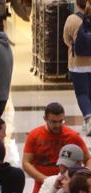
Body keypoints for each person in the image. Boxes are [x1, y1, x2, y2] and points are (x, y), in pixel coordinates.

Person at [23, 103, 89, 193]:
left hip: (67, 191)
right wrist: (46, 180)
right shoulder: (34, 135)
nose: (58, 125)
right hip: (41, 190)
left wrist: (83, 178)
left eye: (60, 121)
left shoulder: (72, 136)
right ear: (45, 119)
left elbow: (88, 159)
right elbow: (26, 163)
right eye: (53, 122)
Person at [64, 0, 91, 134]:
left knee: (81, 93)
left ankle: (88, 118)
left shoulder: (72, 19)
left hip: (77, 64)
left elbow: (66, 39)